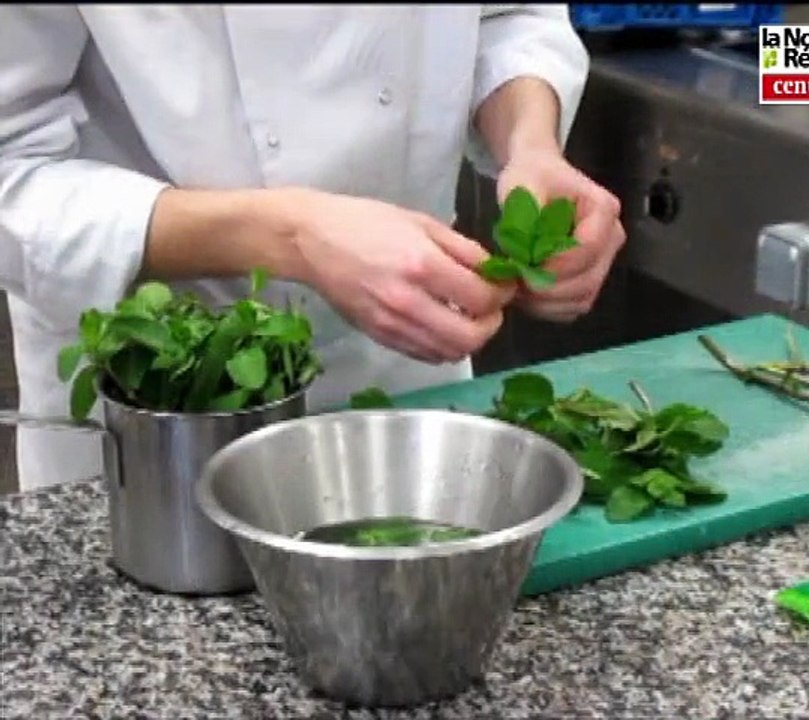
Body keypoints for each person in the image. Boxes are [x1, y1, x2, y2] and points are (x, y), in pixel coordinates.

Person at [0, 5, 626, 492]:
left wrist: (530, 145)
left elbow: (505, 16)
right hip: (155, 401)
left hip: (404, 372)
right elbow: (12, 173)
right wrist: (290, 235)